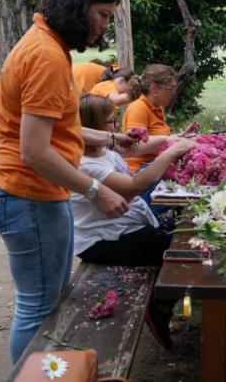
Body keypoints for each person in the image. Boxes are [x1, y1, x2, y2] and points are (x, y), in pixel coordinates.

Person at [0, 0, 135, 364]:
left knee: (46, 301)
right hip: (28, 195)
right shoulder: (47, 56)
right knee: (38, 308)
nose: (104, 27)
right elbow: (34, 150)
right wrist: (95, 189)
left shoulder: (46, 43)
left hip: (31, 195)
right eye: (102, 15)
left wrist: (111, 138)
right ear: (78, 6)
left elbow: (57, 129)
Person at [72, 94, 195, 349]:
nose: (114, 129)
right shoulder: (86, 165)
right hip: (103, 241)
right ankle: (159, 305)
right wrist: (172, 152)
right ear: (89, 127)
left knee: (186, 231)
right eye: (108, 123)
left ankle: (168, 298)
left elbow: (137, 148)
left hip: (124, 228)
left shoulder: (102, 148)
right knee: (181, 248)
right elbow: (134, 186)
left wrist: (174, 138)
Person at [122, 64, 198, 174]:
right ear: (154, 88)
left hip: (155, 168)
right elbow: (136, 146)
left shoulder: (158, 107)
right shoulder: (139, 107)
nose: (174, 92)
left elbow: (157, 138)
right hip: (139, 172)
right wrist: (170, 140)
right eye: (171, 88)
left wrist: (181, 135)